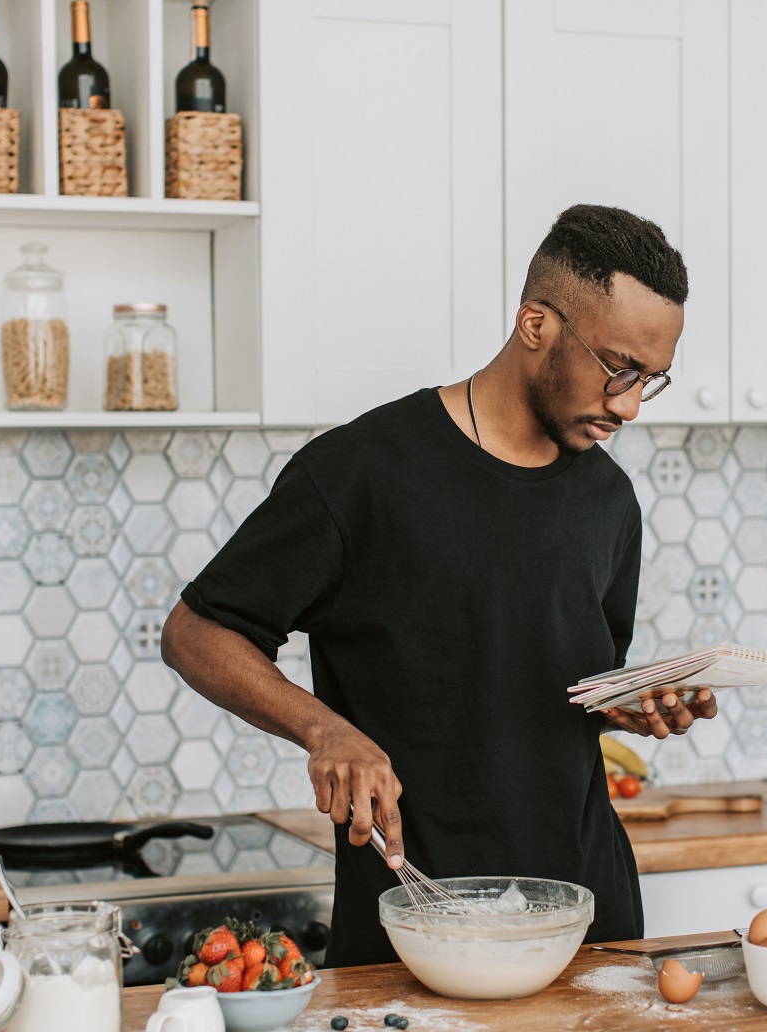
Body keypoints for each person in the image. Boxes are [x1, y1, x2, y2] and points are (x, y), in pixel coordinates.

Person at [161, 204, 719, 967]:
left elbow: (550, 688)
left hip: (589, 921)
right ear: (535, 325)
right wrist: (325, 730)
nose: (626, 404)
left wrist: (628, 703)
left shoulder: (608, 501)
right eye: (617, 368)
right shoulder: (362, 473)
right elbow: (196, 631)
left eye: (648, 381)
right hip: (418, 921)